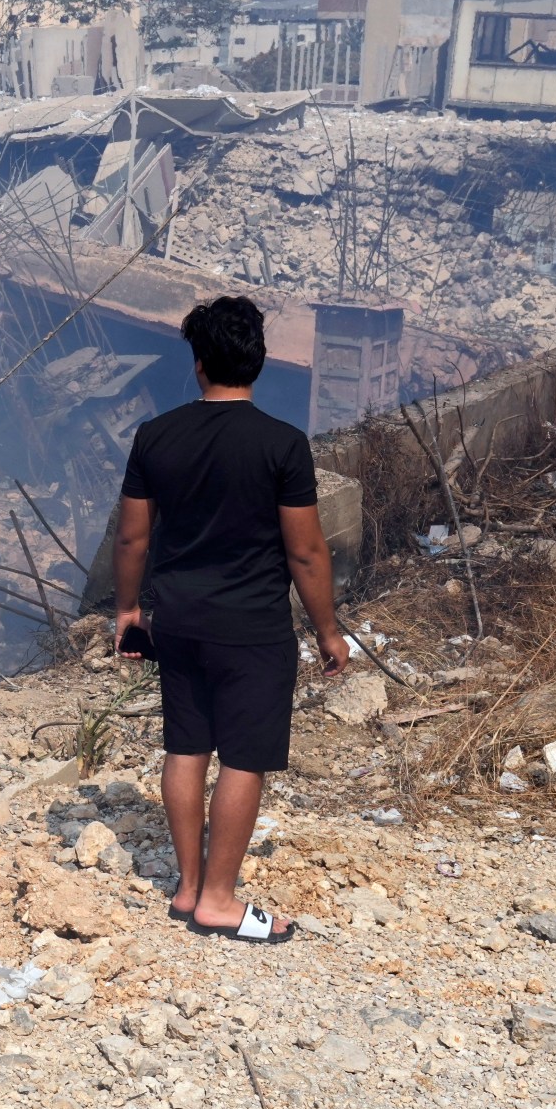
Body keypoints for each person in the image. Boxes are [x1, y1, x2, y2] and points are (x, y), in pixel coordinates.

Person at [111, 297, 348, 945]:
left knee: (185, 747)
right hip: (254, 628)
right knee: (244, 758)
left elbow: (132, 539)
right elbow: (304, 550)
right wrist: (328, 629)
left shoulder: (155, 437)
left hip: (179, 621)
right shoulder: (282, 444)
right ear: (260, 362)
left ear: (198, 365)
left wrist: (128, 609)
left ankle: (188, 886)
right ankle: (219, 899)